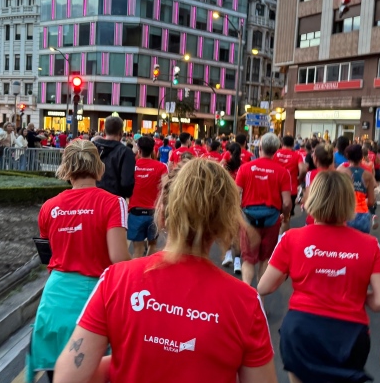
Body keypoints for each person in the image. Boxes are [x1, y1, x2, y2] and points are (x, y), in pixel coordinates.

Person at [53, 159, 278, 383]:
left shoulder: (117, 279)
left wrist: (124, 361)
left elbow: (67, 378)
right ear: (224, 224)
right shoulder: (246, 303)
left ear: (161, 213)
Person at [258, 171, 380, 383]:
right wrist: (355, 293)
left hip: (301, 330)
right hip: (348, 335)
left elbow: (264, 287)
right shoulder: (370, 245)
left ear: (312, 199)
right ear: (349, 202)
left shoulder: (292, 238)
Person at [29, 140, 131, 383]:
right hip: (96, 304)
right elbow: (119, 259)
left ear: (66, 168)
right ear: (99, 167)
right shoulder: (114, 203)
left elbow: (50, 255)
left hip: (53, 303)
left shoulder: (49, 207)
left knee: (57, 374)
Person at [236, 133, 292, 285]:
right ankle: (259, 297)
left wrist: (238, 214)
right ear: (276, 150)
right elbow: (287, 203)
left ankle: (247, 291)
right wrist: (285, 217)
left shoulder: (245, 168)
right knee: (265, 259)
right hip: (272, 220)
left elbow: (235, 194)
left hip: (249, 219)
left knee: (248, 259)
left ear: (259, 148)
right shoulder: (282, 172)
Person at [128, 136, 168, 258]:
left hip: (135, 212)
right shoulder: (161, 167)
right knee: (153, 245)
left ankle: (138, 270)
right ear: (153, 150)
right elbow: (166, 189)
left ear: (139, 150)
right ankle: (148, 268)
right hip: (153, 212)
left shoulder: (131, 166)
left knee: (137, 250)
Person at [94, 116, 136, 199]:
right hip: (114, 199)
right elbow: (126, 183)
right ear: (121, 133)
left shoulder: (92, 148)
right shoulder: (125, 152)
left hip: (93, 197)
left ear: (104, 131)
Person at [338, 144, 376, 233]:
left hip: (346, 213)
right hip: (363, 215)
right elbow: (371, 201)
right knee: (361, 240)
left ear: (347, 157)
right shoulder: (368, 175)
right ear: (361, 157)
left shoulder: (341, 173)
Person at [221, 142, 244, 273]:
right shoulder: (245, 162)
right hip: (240, 199)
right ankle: (237, 262)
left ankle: (228, 254)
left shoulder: (226, 160)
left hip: (226, 197)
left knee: (226, 227)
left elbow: (219, 170)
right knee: (237, 230)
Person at [303, 144, 334, 226]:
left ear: (316, 159)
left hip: (314, 218)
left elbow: (307, 199)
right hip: (334, 218)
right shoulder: (338, 175)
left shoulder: (310, 174)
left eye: (313, 155)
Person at [274, 135, 302, 222]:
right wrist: (299, 180)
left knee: (275, 214)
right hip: (291, 189)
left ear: (282, 143)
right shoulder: (297, 155)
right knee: (286, 217)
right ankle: (284, 228)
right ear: (293, 144)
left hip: (275, 188)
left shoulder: (275, 153)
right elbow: (303, 169)